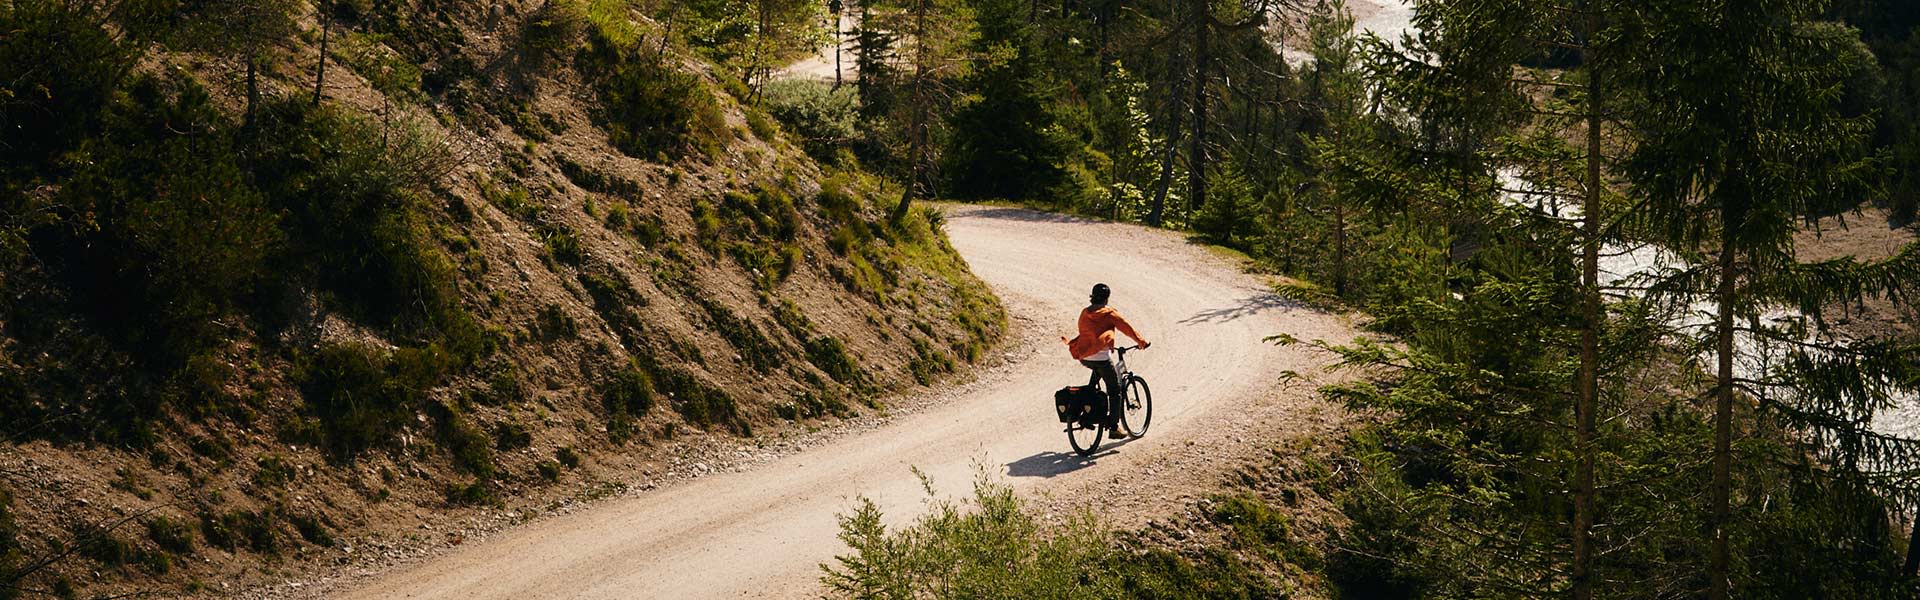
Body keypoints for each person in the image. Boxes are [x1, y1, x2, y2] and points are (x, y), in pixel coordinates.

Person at [1063, 283, 1150, 440]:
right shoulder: (1110, 314)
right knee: (1114, 391)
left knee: (1095, 378)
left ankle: (1088, 405)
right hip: (1101, 358)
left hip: (1084, 356)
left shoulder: (1085, 313)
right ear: (1107, 298)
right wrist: (1141, 341)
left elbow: (1086, 333)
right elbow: (1127, 328)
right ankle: (1114, 428)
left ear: (1092, 296)